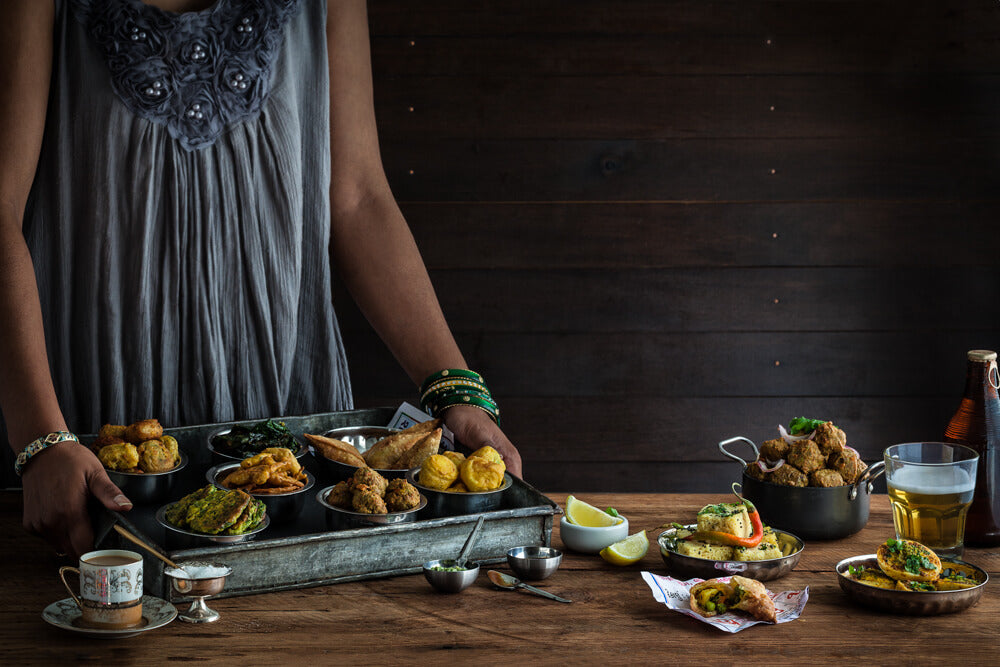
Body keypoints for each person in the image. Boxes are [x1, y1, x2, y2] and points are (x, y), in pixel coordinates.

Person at [0, 0, 522, 558]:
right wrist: (43, 440)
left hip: (285, 407)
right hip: (84, 421)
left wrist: (454, 386)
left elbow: (356, 200)